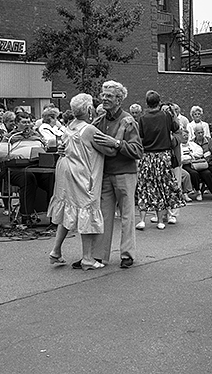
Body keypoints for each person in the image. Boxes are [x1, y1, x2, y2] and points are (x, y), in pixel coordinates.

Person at [74, 80, 143, 269]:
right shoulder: (100, 119)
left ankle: (127, 254)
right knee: (103, 215)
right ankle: (98, 256)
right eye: (103, 94)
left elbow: (138, 150)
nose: (104, 98)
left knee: (127, 215)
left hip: (125, 173)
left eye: (109, 96)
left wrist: (118, 143)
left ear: (119, 99)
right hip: (105, 174)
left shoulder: (128, 120)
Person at [47, 93, 117, 270]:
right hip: (82, 173)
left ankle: (56, 251)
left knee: (68, 210)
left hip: (65, 169)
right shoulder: (89, 130)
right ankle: (87, 257)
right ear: (88, 109)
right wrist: (117, 142)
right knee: (87, 209)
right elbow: (109, 150)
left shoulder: (70, 125)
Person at [134, 91, 184, 230]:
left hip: (148, 155)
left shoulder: (142, 118)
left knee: (145, 186)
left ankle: (143, 220)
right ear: (159, 101)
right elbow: (175, 128)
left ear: (146, 103)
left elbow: (141, 137)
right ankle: (161, 220)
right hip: (163, 155)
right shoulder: (166, 116)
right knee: (162, 186)